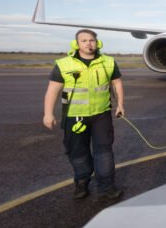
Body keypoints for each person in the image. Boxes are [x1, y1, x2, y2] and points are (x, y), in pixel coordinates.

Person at [43, 29, 125, 200]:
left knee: (104, 151)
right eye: (84, 40)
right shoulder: (64, 64)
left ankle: (107, 186)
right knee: (78, 152)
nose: (89, 43)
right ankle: (82, 182)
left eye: (92, 40)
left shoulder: (108, 62)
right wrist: (48, 113)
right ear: (76, 44)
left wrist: (120, 105)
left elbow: (116, 84)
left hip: (101, 114)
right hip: (74, 116)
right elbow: (53, 89)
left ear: (98, 43)